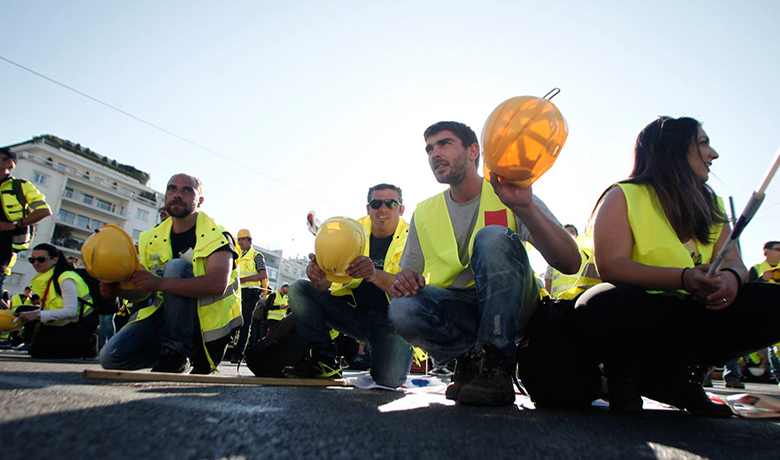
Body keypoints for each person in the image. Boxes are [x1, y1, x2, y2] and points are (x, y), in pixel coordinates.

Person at [574, 116, 780, 416]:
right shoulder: (623, 195)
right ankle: (625, 377)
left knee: (772, 300)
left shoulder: (713, 205)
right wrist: (683, 278)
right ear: (672, 150)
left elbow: (735, 262)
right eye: (703, 143)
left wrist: (730, 282)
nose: (714, 154)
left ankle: (683, 375)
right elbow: (612, 266)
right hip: (642, 313)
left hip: (695, 312)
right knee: (609, 302)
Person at [388, 121, 580, 405]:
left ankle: (497, 362)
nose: (434, 153)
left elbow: (570, 262)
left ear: (473, 151)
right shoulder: (425, 211)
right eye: (429, 148)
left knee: (492, 237)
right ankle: (473, 359)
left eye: (445, 143)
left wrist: (525, 207)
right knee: (402, 310)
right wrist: (399, 281)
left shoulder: (510, 193)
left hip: (516, 309)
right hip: (463, 310)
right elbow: (406, 280)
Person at [99, 173, 242, 374]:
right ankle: (175, 353)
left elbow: (217, 285)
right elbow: (146, 288)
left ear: (199, 201)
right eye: (171, 189)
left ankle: (176, 354)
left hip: (207, 326)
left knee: (176, 267)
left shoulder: (216, 235)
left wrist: (157, 284)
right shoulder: (152, 238)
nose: (177, 194)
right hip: (168, 319)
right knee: (110, 357)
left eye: (186, 190)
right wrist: (120, 291)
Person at [283, 183, 413, 387]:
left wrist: (373, 274)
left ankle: (380, 357)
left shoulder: (413, 238)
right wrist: (320, 276)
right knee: (299, 288)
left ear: (401, 209)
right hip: (353, 315)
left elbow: (411, 292)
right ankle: (323, 360)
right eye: (376, 203)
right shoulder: (350, 231)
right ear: (368, 208)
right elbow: (325, 286)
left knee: (389, 380)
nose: (383, 208)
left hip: (392, 324)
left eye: (391, 203)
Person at [16, 243, 99, 358]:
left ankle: (87, 344)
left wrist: (37, 314)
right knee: (22, 310)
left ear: (54, 260)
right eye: (32, 260)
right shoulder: (51, 277)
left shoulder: (66, 278)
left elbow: (71, 311)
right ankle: (22, 338)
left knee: (38, 352)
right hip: (61, 321)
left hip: (78, 324)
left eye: (41, 260)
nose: (35, 263)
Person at [0, 147, 52, 297]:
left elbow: (44, 210)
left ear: (8, 163)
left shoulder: (20, 187)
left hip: (3, 251)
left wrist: (14, 224)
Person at [232, 228, 268, 363]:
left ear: (250, 241)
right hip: (237, 291)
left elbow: (263, 274)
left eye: (243, 239)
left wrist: (243, 280)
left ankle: (238, 354)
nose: (240, 242)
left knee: (245, 323)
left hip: (251, 292)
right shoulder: (237, 256)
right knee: (232, 322)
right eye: (239, 239)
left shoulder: (256, 256)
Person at [543, 224, 583, 297]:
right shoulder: (554, 255)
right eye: (565, 232)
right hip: (559, 302)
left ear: (577, 235)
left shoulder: (584, 252)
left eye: (572, 232)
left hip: (579, 298)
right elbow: (548, 278)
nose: (569, 234)